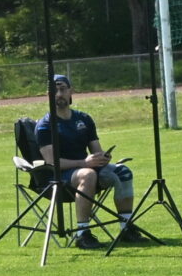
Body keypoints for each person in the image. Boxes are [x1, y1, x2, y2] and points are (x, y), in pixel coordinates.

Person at [35, 75, 136, 249]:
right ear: (48, 94)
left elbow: (96, 151)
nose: (59, 94)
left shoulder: (84, 119)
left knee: (124, 171)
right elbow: (52, 163)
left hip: (86, 167)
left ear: (71, 91)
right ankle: (82, 234)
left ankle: (126, 228)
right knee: (88, 175)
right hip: (60, 177)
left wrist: (102, 157)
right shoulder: (45, 125)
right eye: (54, 90)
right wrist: (84, 163)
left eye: (62, 89)